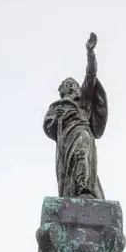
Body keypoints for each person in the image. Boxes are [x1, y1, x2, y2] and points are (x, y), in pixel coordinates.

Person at [43, 33, 108, 198]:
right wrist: (56, 119)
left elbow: (91, 76)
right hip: (66, 139)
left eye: (74, 84)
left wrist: (90, 53)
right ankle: (75, 191)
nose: (75, 87)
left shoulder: (83, 102)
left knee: (82, 155)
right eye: (69, 85)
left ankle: (83, 189)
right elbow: (48, 126)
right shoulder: (57, 107)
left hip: (82, 132)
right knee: (69, 169)